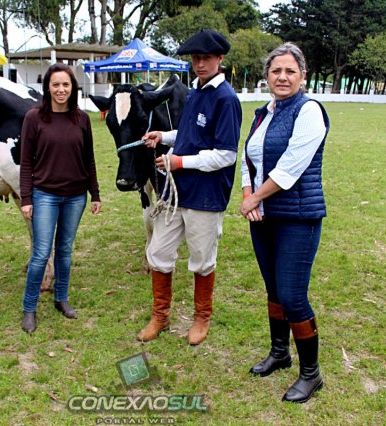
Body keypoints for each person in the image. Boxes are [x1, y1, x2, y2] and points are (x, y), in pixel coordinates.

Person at [139, 29, 242, 345]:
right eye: (195, 58)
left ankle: (201, 317)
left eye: (206, 58)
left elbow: (226, 155)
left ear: (220, 59)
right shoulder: (196, 91)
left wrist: (179, 162)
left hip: (206, 195)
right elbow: (188, 134)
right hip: (176, 192)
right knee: (158, 251)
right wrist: (163, 136)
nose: (199, 64)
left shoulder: (226, 99)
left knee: (202, 259)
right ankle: (160, 316)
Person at [239, 42, 330, 403]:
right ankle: (280, 353)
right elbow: (249, 158)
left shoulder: (309, 111)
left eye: (290, 71)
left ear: (302, 77)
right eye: (276, 70)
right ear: (266, 76)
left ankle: (311, 373)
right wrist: (248, 192)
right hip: (263, 216)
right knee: (274, 290)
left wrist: (254, 198)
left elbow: (291, 166)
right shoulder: (264, 113)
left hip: (298, 218)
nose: (282, 76)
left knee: (292, 296)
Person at [19, 63, 101, 334]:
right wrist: (26, 198)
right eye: (55, 84)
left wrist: (95, 193)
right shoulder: (34, 118)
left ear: (73, 88)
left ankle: (61, 298)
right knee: (41, 253)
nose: (61, 89)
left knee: (65, 250)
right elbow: (26, 163)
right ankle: (29, 308)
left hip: (76, 196)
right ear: (47, 88)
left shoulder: (82, 119)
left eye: (66, 84)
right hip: (45, 196)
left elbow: (89, 159)